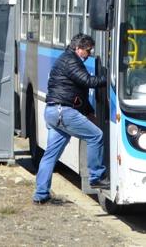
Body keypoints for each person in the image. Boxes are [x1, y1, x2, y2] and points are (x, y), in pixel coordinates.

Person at [32, 33, 108, 204]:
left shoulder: (65, 59)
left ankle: (41, 194)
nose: (89, 55)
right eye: (87, 51)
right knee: (96, 136)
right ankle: (96, 176)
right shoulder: (71, 60)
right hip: (63, 112)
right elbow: (87, 81)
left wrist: (89, 111)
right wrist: (111, 78)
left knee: (50, 155)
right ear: (78, 48)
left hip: (53, 112)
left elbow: (78, 92)